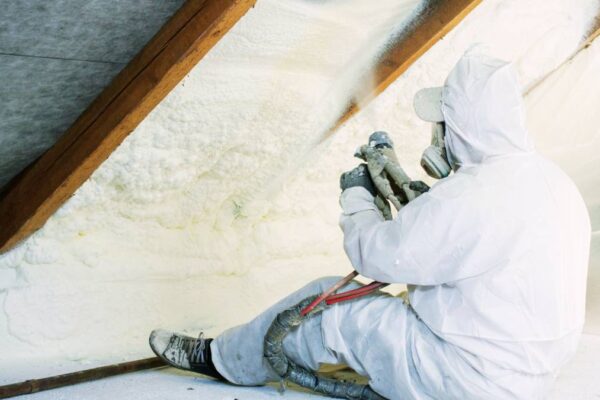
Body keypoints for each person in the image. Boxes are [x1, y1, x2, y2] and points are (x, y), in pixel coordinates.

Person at [149, 49, 591, 399]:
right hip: (531, 378)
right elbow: (469, 239)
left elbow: (378, 259)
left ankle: (221, 360)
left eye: (443, 123)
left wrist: (357, 197)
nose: (439, 135)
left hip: (465, 379)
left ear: (462, 125)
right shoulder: (551, 181)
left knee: (326, 306)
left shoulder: (471, 196)